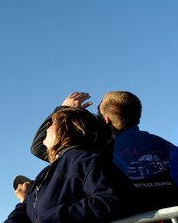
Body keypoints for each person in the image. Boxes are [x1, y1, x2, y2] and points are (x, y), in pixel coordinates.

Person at [30, 91, 177, 214]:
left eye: (97, 114)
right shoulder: (166, 146)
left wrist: (62, 109)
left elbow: (39, 147)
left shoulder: (95, 150)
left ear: (105, 121)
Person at [5, 107, 129, 223]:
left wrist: (56, 220)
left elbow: (109, 199)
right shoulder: (45, 173)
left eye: (52, 124)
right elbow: (26, 207)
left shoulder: (86, 160)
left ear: (66, 130)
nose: (47, 127)